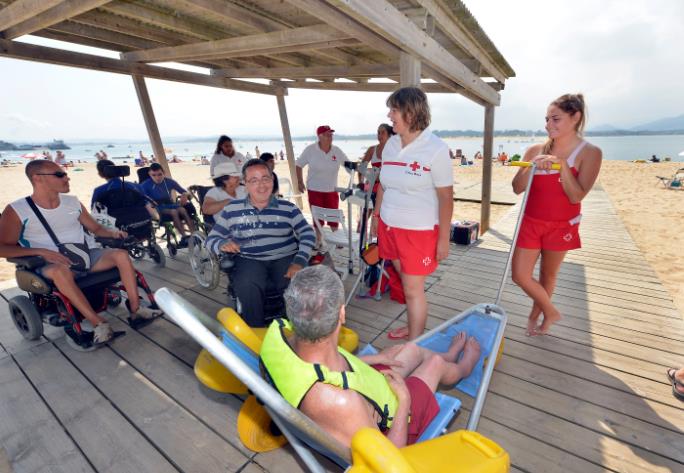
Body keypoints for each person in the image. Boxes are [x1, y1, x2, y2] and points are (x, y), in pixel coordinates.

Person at [260, 265, 481, 448]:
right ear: (342, 314)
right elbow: (388, 460)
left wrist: (370, 361)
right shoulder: (341, 402)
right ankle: (462, 366)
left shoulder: (281, 340)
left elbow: (325, 369)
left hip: (360, 393)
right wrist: (404, 401)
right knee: (435, 364)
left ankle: (448, 355)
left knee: (410, 350)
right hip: (391, 427)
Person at [0, 161, 161, 344]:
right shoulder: (18, 210)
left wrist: (113, 233)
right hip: (47, 265)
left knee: (121, 255)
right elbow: (3, 247)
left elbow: (96, 229)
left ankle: (136, 309)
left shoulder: (72, 202)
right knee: (60, 272)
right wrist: (41, 252)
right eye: (60, 174)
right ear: (38, 178)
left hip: (83, 257)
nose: (67, 177)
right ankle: (98, 323)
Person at [511, 93, 602, 336]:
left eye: (555, 119)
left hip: (562, 225)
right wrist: (532, 167)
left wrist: (562, 165)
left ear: (575, 118)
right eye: (547, 119)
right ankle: (551, 311)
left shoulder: (590, 152)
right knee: (520, 275)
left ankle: (537, 316)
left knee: (547, 275)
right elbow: (517, 188)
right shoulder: (534, 149)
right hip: (531, 221)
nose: (548, 125)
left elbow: (576, 196)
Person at [371, 87, 454, 341]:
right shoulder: (391, 145)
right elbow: (384, 184)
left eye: (394, 109)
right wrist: (376, 217)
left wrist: (443, 239)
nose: (389, 114)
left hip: (418, 232)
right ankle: (413, 325)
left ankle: (414, 344)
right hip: (389, 226)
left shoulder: (436, 149)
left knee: (413, 289)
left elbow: (445, 197)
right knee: (408, 286)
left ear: (410, 112)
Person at [206, 159, 315, 327]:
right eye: (254, 180)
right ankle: (255, 330)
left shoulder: (288, 208)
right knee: (247, 284)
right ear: (245, 185)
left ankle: (293, 330)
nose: (261, 185)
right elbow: (211, 239)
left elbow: (307, 233)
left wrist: (299, 261)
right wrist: (221, 244)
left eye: (265, 178)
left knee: (297, 284)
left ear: (272, 180)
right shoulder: (231, 210)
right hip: (249, 258)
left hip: (285, 256)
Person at [296, 125, 349, 236]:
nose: (330, 137)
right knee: (317, 218)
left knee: (333, 217)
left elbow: (348, 165)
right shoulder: (310, 150)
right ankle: (319, 240)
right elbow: (299, 165)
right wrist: (299, 182)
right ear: (319, 137)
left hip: (331, 190)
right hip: (314, 189)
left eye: (331, 135)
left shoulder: (336, 150)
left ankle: (336, 238)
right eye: (327, 135)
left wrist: (358, 169)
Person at [140, 163, 196, 238]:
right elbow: (142, 199)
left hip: (169, 204)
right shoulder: (145, 185)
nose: (157, 177)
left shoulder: (169, 182)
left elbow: (183, 191)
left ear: (164, 173)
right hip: (157, 207)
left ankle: (194, 234)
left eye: (160, 174)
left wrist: (185, 195)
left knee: (182, 210)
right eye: (154, 175)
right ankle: (184, 236)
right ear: (149, 174)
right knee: (174, 212)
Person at [91, 159, 158, 220]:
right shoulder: (136, 187)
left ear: (100, 174)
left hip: (115, 229)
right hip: (141, 225)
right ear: (116, 169)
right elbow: (148, 206)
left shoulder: (99, 191)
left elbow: (95, 212)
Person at [360, 123, 395, 206]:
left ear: (389, 135)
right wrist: (361, 183)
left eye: (383, 132)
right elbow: (361, 168)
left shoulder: (394, 151)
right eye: (378, 133)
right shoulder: (372, 150)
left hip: (387, 188)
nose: (380, 135)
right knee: (365, 215)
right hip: (371, 186)